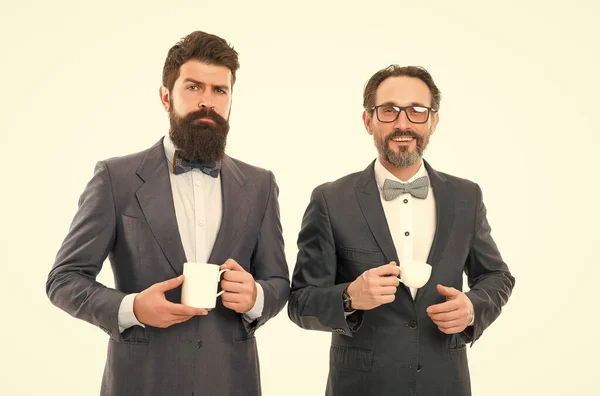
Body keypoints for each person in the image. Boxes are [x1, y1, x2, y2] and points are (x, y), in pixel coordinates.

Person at [46, 30, 290, 396]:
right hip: (140, 382)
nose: (206, 101)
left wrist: (257, 297)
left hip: (231, 381)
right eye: (193, 87)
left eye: (219, 90)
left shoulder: (260, 184)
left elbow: (279, 282)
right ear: (166, 96)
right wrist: (132, 308)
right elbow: (64, 280)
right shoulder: (116, 178)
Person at [288, 65, 515, 396]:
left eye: (416, 111)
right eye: (389, 111)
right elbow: (300, 302)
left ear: (433, 121)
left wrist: (472, 308)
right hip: (361, 386)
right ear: (369, 121)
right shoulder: (330, 199)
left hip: (445, 384)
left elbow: (497, 276)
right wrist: (350, 297)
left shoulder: (466, 197)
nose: (403, 123)